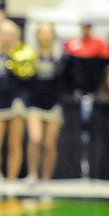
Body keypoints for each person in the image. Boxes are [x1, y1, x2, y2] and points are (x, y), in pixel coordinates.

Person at [0, 18, 30, 196]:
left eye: (10, 33)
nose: (6, 37)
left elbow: (28, 79)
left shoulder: (23, 56)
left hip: (16, 103)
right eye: (3, 33)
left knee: (15, 144)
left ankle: (11, 180)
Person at [25, 21, 65, 192]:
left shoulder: (59, 56)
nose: (45, 36)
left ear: (53, 36)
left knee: (49, 145)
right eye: (42, 32)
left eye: (48, 32)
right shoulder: (30, 55)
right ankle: (32, 175)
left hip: (53, 104)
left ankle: (46, 179)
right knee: (35, 139)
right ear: (37, 35)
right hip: (34, 103)